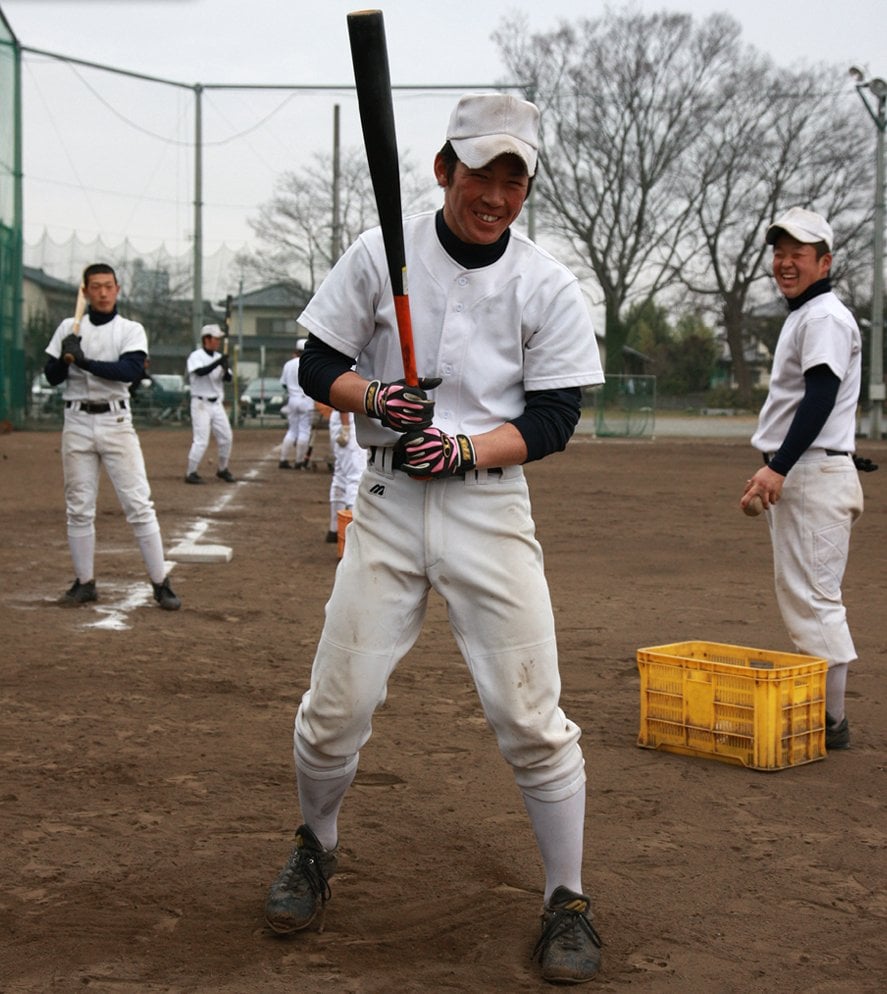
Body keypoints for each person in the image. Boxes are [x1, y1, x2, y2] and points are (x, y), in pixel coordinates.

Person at [263, 93, 605, 984]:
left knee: (531, 716)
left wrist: (459, 443)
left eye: (514, 177)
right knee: (333, 713)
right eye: (481, 171)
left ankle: (566, 896)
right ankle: (316, 844)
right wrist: (375, 400)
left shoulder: (545, 282)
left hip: (490, 505)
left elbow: (557, 415)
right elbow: (315, 361)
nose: (495, 192)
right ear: (444, 168)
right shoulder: (381, 252)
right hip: (384, 501)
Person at [741, 207, 866, 751]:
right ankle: (828, 715)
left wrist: (778, 467)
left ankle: (832, 723)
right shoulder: (810, 314)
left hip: (815, 471)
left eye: (799, 253)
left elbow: (821, 397)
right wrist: (777, 465)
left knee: (815, 601)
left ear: (825, 261)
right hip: (812, 468)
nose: (786, 262)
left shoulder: (822, 318)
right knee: (809, 597)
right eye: (780, 252)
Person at [43, 263, 181, 611]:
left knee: (138, 504)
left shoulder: (130, 329)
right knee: (78, 507)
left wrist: (84, 360)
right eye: (95, 287)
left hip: (116, 420)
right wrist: (65, 356)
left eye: (108, 286)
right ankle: (84, 582)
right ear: (85, 292)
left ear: (117, 289)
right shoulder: (67, 328)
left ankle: (160, 582)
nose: (102, 293)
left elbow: (129, 371)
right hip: (75, 421)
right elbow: (52, 377)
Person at [185, 324, 235, 483]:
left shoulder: (219, 357)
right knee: (201, 440)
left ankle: (222, 469)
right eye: (215, 338)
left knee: (227, 437)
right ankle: (190, 473)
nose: (218, 341)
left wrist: (225, 367)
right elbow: (200, 372)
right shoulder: (196, 356)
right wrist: (219, 362)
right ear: (206, 339)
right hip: (200, 403)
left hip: (216, 403)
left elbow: (228, 379)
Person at [324, 407, 366, 543]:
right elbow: (343, 400)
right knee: (355, 477)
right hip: (348, 421)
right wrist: (346, 426)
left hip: (341, 421)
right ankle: (352, 531)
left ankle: (334, 529)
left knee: (340, 476)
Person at [278, 340, 316, 469]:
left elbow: (283, 383)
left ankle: (283, 459)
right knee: (304, 431)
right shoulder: (311, 363)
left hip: (292, 400)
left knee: (292, 430)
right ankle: (299, 462)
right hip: (306, 400)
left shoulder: (288, 364)